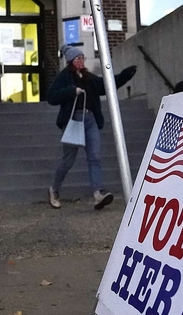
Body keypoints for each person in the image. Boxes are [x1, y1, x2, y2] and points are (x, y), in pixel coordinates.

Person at [47, 45, 137, 210]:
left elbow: (105, 86)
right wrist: (71, 91)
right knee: (68, 159)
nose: (81, 61)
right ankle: (54, 189)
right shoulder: (64, 76)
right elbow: (51, 96)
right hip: (74, 120)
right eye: (77, 59)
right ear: (70, 61)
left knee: (94, 156)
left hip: (90, 119)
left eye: (82, 58)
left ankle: (98, 194)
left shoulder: (89, 77)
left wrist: (125, 76)